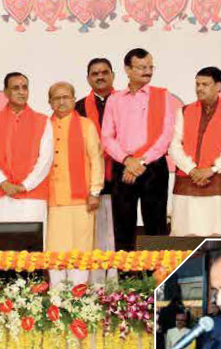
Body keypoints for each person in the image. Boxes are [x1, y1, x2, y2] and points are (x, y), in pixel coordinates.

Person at [100, 49, 175, 251]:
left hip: (153, 167)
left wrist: (139, 162)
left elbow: (166, 135)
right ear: (127, 70)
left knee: (156, 226)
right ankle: (127, 281)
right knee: (122, 226)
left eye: (150, 67)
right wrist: (127, 161)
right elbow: (106, 137)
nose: (148, 71)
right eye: (142, 67)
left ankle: (158, 279)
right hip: (123, 168)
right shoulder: (114, 99)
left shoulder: (162, 95)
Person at [169, 67, 221, 238]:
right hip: (188, 185)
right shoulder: (184, 111)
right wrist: (192, 170)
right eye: (197, 84)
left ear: (218, 86)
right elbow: (174, 146)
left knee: (220, 239)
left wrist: (212, 169)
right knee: (185, 239)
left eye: (205, 84)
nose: (200, 88)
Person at [44, 82, 105, 274]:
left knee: (82, 250)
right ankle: (57, 296)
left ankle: (80, 298)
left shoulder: (86, 126)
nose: (61, 102)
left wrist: (95, 191)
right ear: (49, 102)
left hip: (82, 199)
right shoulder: (44, 127)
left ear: (73, 100)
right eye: (56, 98)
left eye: (66, 97)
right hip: (52, 199)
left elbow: (96, 160)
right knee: (55, 251)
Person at [0, 72, 50, 226]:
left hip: (32, 197)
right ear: (6, 92)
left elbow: (46, 160)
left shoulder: (43, 121)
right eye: (16, 88)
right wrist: (4, 183)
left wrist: (25, 185)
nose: (21, 92)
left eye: (25, 87)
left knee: (32, 247)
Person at [78, 57, 118, 254]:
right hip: (90, 180)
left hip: (121, 177)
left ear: (113, 75)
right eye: (95, 73)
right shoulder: (77, 108)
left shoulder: (125, 102)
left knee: (120, 231)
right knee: (91, 235)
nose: (100, 77)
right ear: (88, 79)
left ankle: (122, 278)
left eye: (105, 72)